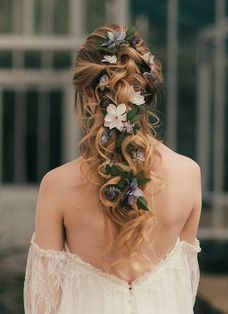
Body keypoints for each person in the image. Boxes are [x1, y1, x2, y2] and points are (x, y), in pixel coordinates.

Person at [23, 23, 202, 314]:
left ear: (88, 95)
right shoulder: (189, 175)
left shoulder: (57, 186)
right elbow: (184, 287)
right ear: (146, 90)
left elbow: (42, 306)